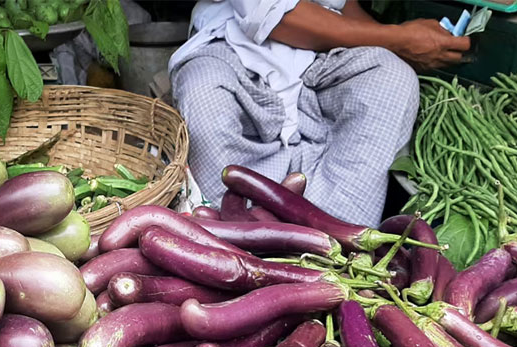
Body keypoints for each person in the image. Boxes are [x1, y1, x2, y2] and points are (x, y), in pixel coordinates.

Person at [170, 0, 471, 226]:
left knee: (391, 78)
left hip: (321, 57)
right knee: (204, 90)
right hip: (232, 49)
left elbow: (342, 5)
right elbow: (273, 16)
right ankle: (238, 236)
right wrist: (399, 38)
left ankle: (335, 237)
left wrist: (403, 45)